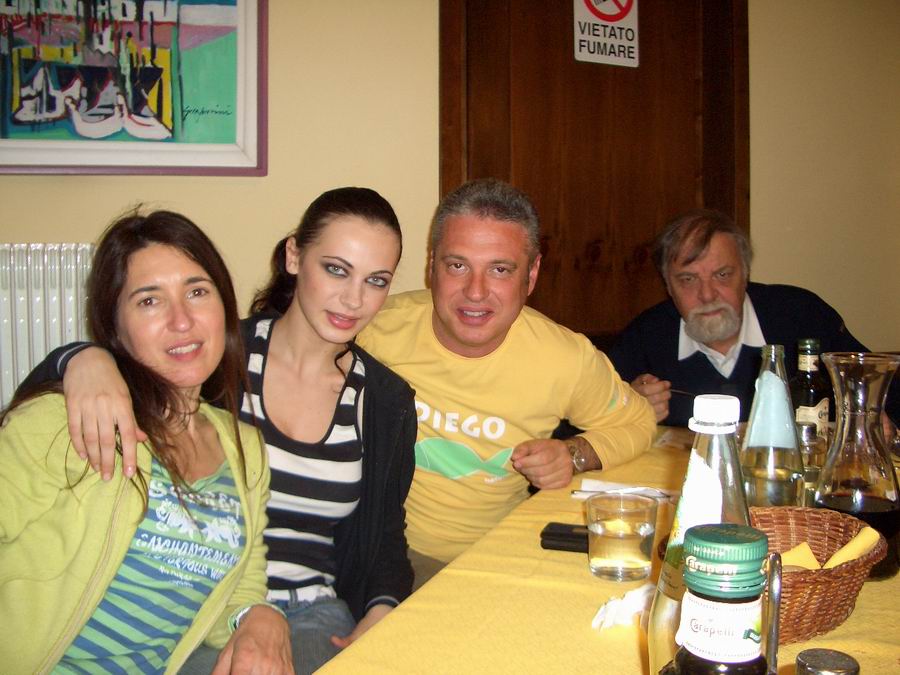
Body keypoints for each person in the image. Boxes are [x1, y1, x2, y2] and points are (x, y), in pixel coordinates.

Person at [22, 188, 416, 674]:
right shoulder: (211, 357)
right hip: (199, 602)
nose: (354, 299)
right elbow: (59, 403)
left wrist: (383, 606)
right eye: (336, 269)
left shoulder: (384, 401)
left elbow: (385, 532)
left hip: (310, 613)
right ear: (294, 256)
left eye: (376, 281)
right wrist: (80, 358)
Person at [0, 210, 291, 673]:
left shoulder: (246, 449)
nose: (182, 321)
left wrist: (259, 615)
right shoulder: (64, 420)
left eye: (197, 292)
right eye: (150, 301)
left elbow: (242, 584)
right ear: (115, 327)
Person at [354, 178, 656, 583]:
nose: (475, 292)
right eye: (457, 265)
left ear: (531, 275)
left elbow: (638, 422)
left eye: (499, 269)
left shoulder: (564, 357)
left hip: (499, 557)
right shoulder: (375, 329)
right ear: (432, 266)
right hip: (380, 551)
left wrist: (572, 454)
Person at [608, 209, 900, 430]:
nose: (707, 294)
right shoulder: (645, 336)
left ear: (746, 274)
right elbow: (588, 423)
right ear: (668, 286)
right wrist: (623, 410)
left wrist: (872, 415)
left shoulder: (803, 316)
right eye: (688, 279)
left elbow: (884, 388)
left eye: (722, 275)